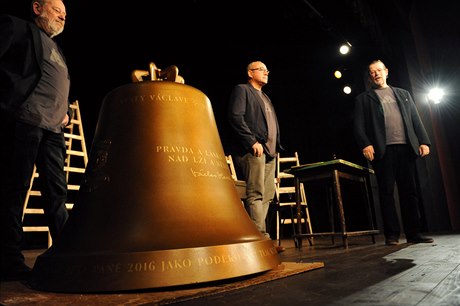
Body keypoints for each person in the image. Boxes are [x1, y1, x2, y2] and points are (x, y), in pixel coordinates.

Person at [0, 0, 73, 280]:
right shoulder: (16, 27)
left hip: (54, 129)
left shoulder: (57, 48)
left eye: (65, 14)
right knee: (14, 189)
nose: (63, 16)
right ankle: (8, 259)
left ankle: (67, 255)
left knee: (57, 194)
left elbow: (56, 84)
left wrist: (64, 110)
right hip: (24, 121)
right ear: (37, 7)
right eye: (57, 10)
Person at [353, 59, 434, 246]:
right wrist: (366, 144)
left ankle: (414, 233)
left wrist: (423, 140)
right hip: (383, 151)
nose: (377, 74)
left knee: (410, 192)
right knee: (387, 192)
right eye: (372, 72)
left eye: (379, 70)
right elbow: (358, 126)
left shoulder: (403, 94)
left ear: (386, 71)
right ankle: (392, 235)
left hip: (406, 148)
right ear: (369, 76)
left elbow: (415, 117)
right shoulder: (363, 99)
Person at [227, 61, 285, 253]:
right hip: (254, 150)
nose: (266, 72)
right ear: (250, 73)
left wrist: (275, 148)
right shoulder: (242, 90)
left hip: (270, 152)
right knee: (256, 193)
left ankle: (260, 235)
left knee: (268, 195)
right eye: (261, 69)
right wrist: (251, 141)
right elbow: (236, 117)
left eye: (267, 69)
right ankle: (261, 238)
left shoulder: (266, 97)